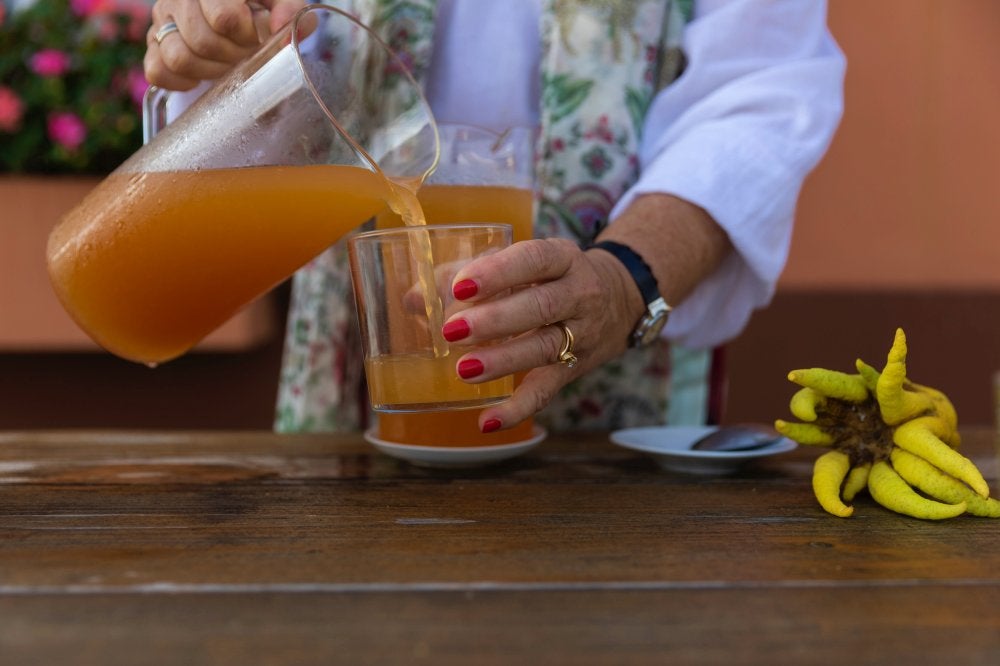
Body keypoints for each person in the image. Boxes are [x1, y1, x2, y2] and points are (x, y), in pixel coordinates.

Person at [144, 0, 846, 434]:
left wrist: (625, 277)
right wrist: (210, 33)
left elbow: (761, 92)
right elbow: (260, 68)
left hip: (622, 396)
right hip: (347, 357)